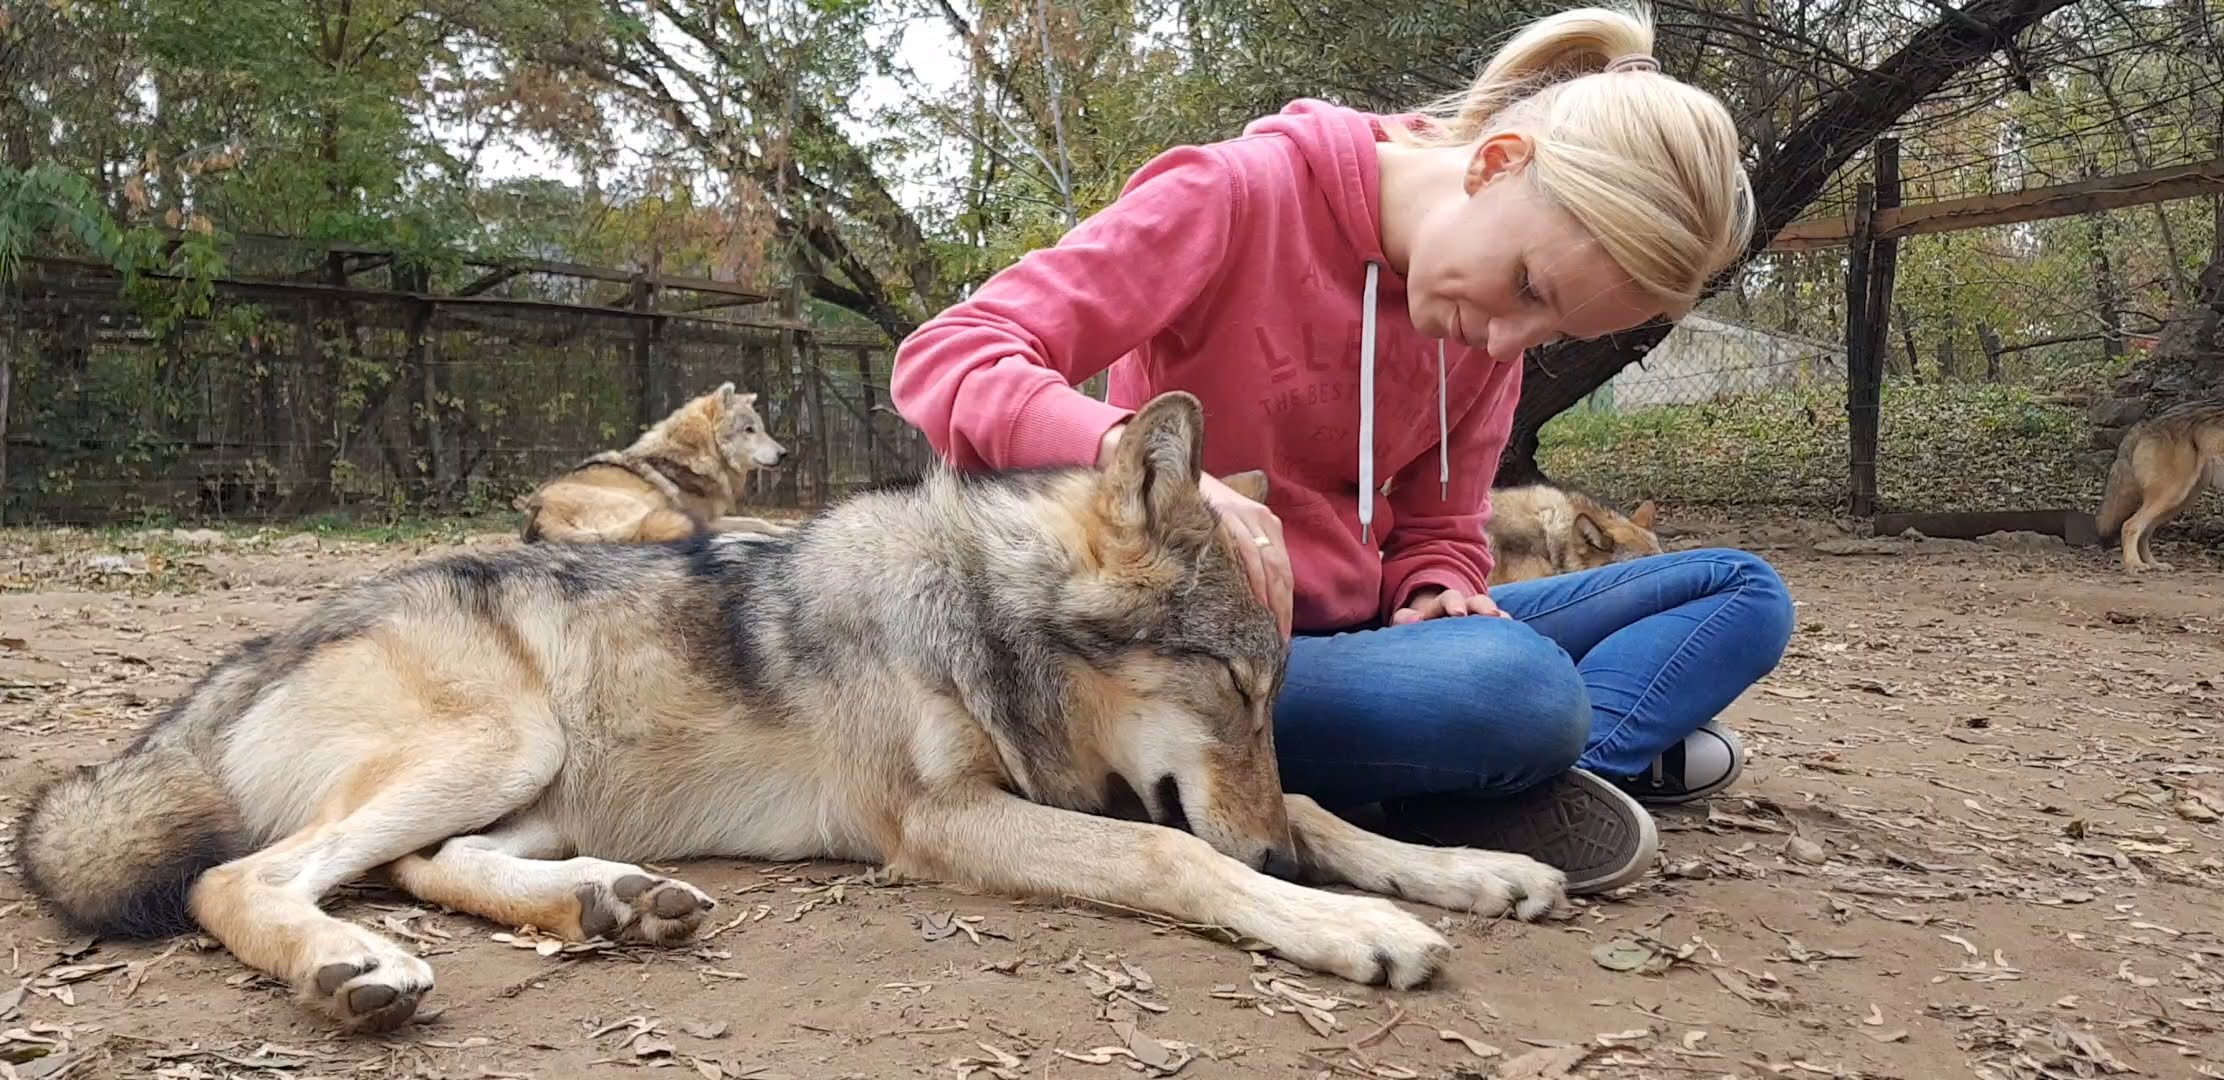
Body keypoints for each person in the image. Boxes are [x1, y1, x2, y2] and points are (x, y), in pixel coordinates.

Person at [888, 3, 1796, 896]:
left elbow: (1444, 523)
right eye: (1528, 286)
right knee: (1522, 693)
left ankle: (1536, 774)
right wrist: (1160, 472)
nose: (1512, 342)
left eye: (1555, 330)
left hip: (1369, 647)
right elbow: (949, 358)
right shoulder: (1233, 197)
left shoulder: (1482, 330)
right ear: (1496, 163)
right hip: (1213, 654)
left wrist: (1436, 589)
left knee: (1741, 594)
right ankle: (1506, 758)